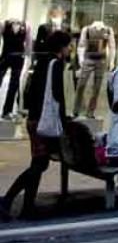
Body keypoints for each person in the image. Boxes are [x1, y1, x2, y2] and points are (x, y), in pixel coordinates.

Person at [0, 30, 71, 220]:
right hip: (43, 120)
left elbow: (32, 90)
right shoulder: (56, 64)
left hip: (34, 118)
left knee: (39, 162)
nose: (69, 49)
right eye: (68, 45)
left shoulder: (42, 62)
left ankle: (27, 205)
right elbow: (57, 96)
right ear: (62, 47)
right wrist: (63, 120)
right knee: (39, 164)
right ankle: (7, 200)